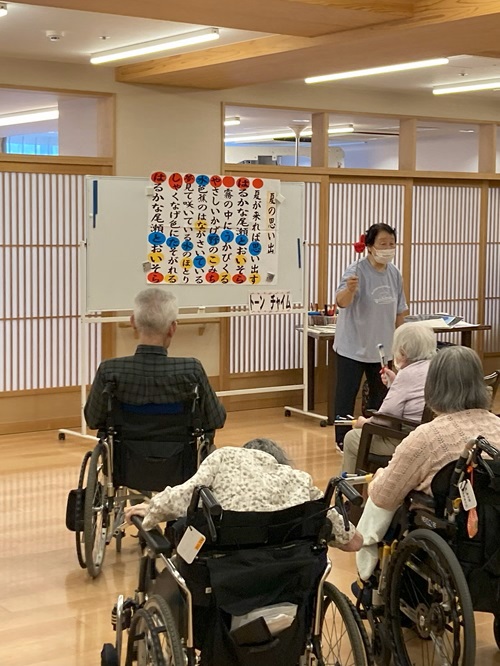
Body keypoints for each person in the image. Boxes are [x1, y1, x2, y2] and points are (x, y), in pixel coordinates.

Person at [355, 346, 500, 581]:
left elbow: (384, 496)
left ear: (433, 387)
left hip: (453, 536)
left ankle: (369, 577)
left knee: (389, 498)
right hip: (494, 537)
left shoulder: (427, 437)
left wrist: (379, 476)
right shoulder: (497, 426)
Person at [125, 437, 363, 552]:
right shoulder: (299, 479)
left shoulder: (225, 458)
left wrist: (153, 508)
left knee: (185, 531)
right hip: (288, 576)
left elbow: (186, 494)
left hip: (229, 572)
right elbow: (354, 542)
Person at [84, 288, 226, 436]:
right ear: (172, 328)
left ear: (133, 322)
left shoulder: (109, 371)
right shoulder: (192, 370)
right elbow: (216, 419)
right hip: (180, 449)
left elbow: (93, 420)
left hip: (123, 449)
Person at [334, 223, 408, 449]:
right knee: (346, 396)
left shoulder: (394, 273)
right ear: (369, 246)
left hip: (382, 350)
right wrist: (350, 289)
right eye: (382, 244)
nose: (388, 248)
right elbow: (341, 302)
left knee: (381, 396)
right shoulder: (355, 271)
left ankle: (373, 438)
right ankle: (342, 440)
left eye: (392, 244)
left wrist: (401, 344)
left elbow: (400, 311)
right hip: (353, 347)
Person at [341, 322, 436, 474]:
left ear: (403, 352)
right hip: (431, 435)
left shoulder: (407, 374)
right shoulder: (436, 367)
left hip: (406, 438)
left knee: (352, 438)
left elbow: (385, 419)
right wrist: (394, 383)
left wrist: (364, 422)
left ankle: (349, 488)